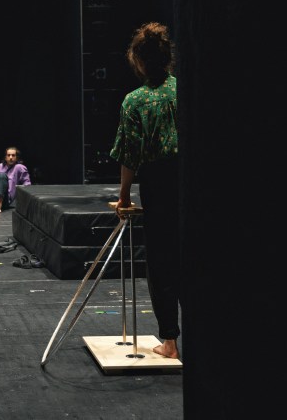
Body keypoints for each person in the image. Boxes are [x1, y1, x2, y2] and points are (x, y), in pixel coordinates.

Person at [111, 22, 181, 360]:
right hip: (191, 181)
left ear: (138, 61)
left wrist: (124, 197)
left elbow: (129, 154)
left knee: (162, 261)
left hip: (159, 183)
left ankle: (170, 341)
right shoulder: (184, 90)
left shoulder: (135, 101)